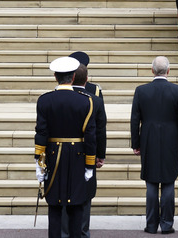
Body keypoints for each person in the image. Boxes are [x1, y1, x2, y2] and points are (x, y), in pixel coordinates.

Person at [34, 57, 97, 238]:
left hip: (53, 158)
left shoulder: (45, 100)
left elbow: (41, 133)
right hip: (77, 157)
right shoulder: (86, 101)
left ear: (55, 77)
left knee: (54, 206)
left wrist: (39, 162)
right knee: (76, 205)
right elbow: (90, 137)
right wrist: (89, 165)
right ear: (73, 77)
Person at [130, 56, 178, 234]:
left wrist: (136, 143)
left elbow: (135, 120)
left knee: (151, 182)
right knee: (169, 182)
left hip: (149, 138)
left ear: (152, 70)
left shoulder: (141, 90)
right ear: (168, 71)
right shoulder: (177, 90)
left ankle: (152, 224)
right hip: (171, 139)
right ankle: (167, 224)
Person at [61, 51, 106, 238]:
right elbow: (100, 128)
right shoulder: (95, 92)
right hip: (87, 149)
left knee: (63, 192)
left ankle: (65, 232)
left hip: (63, 149)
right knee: (85, 194)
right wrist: (99, 154)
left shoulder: (60, 92)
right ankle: (82, 231)